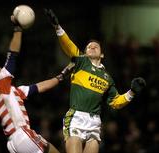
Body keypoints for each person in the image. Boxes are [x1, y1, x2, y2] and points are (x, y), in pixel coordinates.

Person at [44, 9, 146, 153]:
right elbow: (69, 45)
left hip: (94, 123)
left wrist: (132, 92)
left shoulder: (108, 78)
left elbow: (115, 102)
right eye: (89, 46)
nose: (92, 46)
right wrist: (57, 27)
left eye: (96, 46)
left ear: (102, 54)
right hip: (76, 118)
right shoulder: (81, 62)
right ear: (85, 53)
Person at [0, 15, 74, 153]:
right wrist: (18, 29)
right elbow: (12, 55)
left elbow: (40, 87)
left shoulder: (12, 91)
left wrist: (62, 75)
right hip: (21, 134)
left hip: (17, 139)